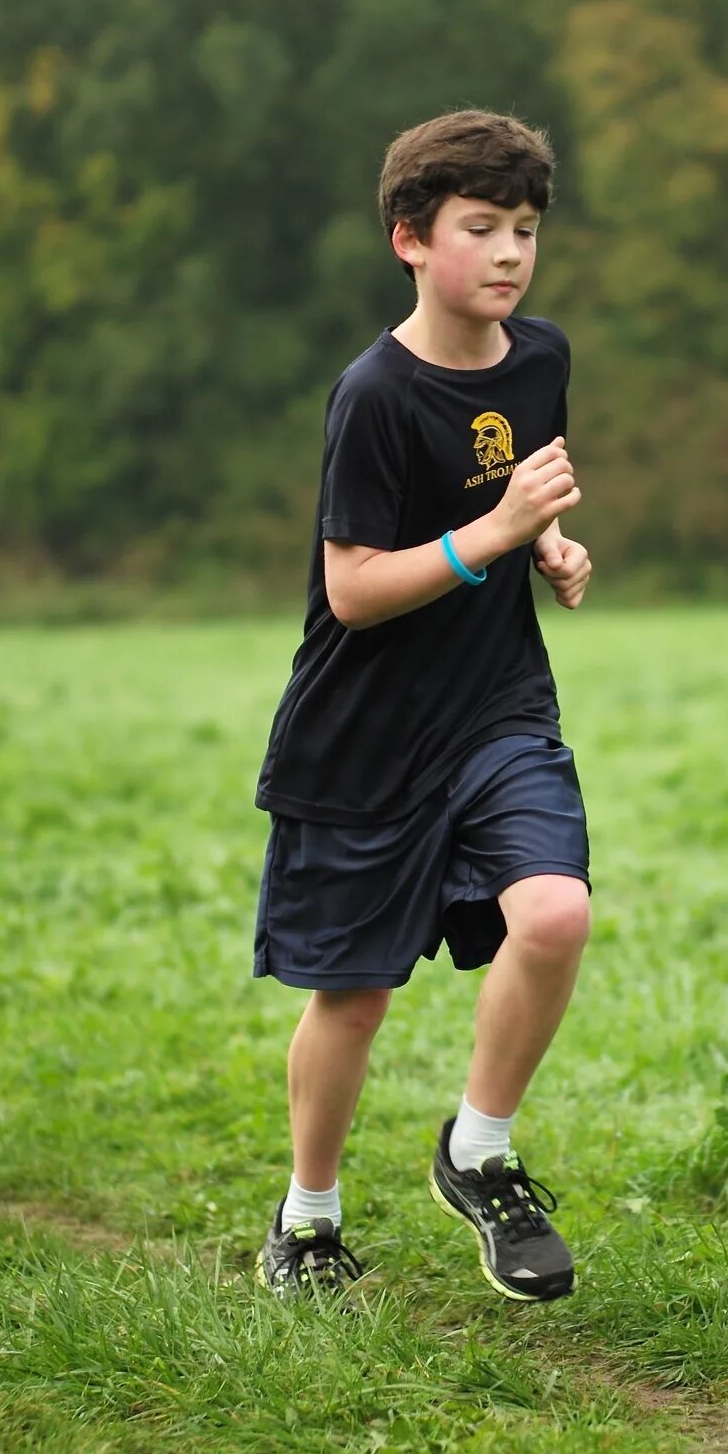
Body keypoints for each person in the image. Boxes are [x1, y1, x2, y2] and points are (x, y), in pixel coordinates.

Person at [250, 109, 596, 1302]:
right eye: (480, 228)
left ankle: (481, 1150)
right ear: (410, 238)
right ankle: (308, 1222)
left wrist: (547, 544)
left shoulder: (539, 356)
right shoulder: (374, 396)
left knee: (554, 915)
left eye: (526, 229)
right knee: (354, 1001)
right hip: (365, 739)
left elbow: (511, 487)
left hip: (498, 712)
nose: (509, 253)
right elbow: (352, 590)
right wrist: (493, 534)